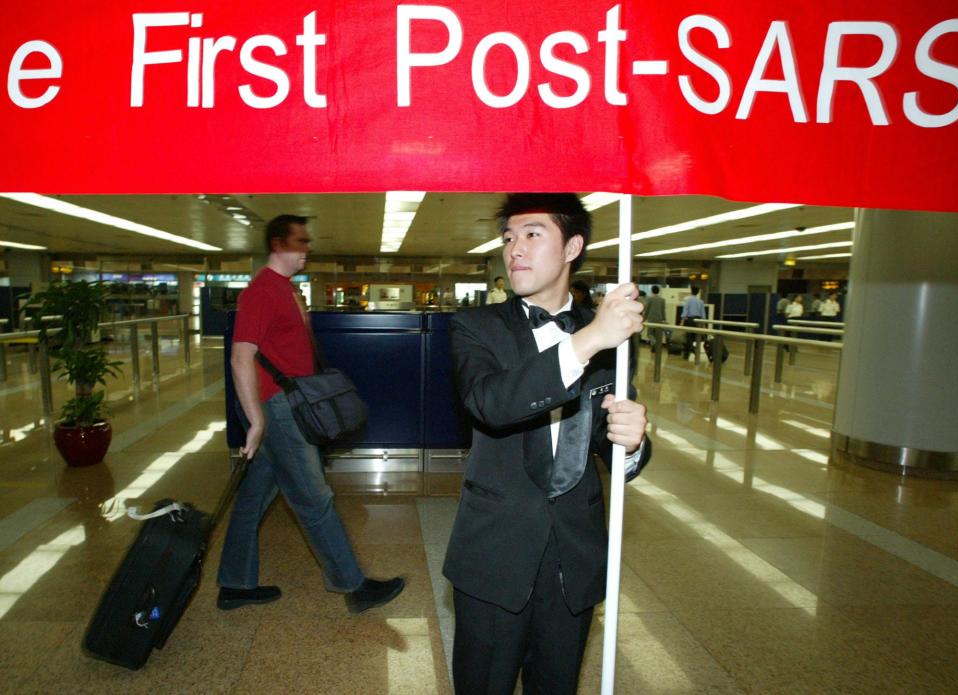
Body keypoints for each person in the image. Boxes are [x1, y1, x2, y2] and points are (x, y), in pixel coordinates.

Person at [444, 193, 652, 695]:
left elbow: (609, 441)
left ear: (572, 246)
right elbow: (490, 404)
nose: (515, 248)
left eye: (533, 234)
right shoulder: (477, 327)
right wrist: (586, 342)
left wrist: (634, 442)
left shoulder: (612, 338)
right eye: (509, 237)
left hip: (573, 559)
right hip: (495, 554)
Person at [218, 214, 404, 614]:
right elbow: (240, 357)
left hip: (285, 403)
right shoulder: (261, 291)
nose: (306, 248)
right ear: (279, 244)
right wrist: (256, 420)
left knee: (253, 497)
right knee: (313, 496)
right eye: (300, 241)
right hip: (275, 408)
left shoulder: (285, 289)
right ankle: (353, 585)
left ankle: (234, 583)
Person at [680, 286, 705, 359]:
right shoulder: (701, 301)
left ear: (691, 291)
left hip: (690, 320)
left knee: (688, 337)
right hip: (698, 320)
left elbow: (685, 311)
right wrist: (703, 324)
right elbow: (703, 314)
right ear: (697, 292)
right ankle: (690, 351)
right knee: (695, 337)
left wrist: (682, 321)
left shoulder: (688, 300)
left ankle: (691, 351)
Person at [643, 285, 667, 352]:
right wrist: (664, 319)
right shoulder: (662, 300)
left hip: (651, 318)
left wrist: (644, 318)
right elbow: (663, 310)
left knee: (649, 333)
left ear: (652, 291)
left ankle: (653, 343)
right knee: (657, 334)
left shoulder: (649, 299)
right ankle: (655, 348)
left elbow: (647, 309)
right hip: (659, 318)